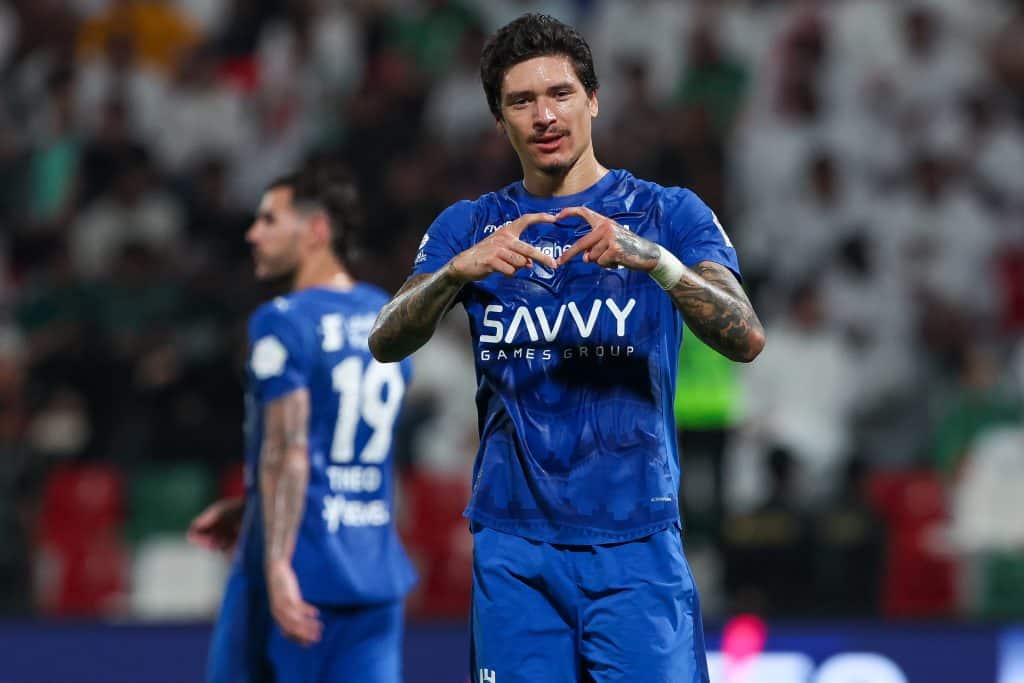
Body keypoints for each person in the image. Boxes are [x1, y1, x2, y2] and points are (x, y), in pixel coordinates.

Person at [368, 13, 765, 683]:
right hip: (514, 548)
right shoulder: (469, 227)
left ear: (593, 100)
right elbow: (386, 337)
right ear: (501, 120)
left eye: (560, 94)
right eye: (522, 101)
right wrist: (458, 271)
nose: (544, 115)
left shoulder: (667, 214)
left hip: (635, 540)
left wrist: (656, 262)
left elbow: (745, 334)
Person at [188, 162, 416, 683]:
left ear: (316, 231)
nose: (253, 233)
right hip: (373, 569)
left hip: (297, 570)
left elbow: (289, 449)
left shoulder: (282, 320)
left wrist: (274, 566)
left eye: (269, 220)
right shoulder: (389, 314)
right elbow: (340, 443)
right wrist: (254, 506)